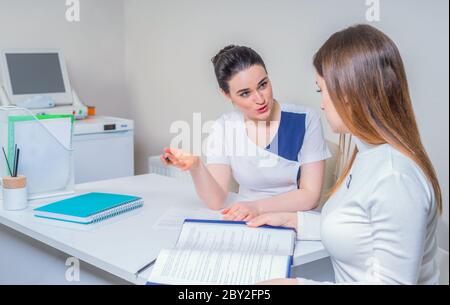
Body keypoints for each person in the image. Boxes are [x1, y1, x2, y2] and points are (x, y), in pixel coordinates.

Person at [248, 24, 442, 285]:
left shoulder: (395, 177)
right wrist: (294, 221)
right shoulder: (366, 154)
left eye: (322, 90)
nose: (322, 103)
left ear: (348, 94)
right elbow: (359, 231)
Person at [161, 45, 331, 221]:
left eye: (263, 85)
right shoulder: (225, 127)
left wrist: (257, 207)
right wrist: (196, 166)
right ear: (226, 95)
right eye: (245, 93)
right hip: (244, 218)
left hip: (290, 218)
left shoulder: (305, 119)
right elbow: (216, 201)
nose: (260, 99)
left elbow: (310, 196)